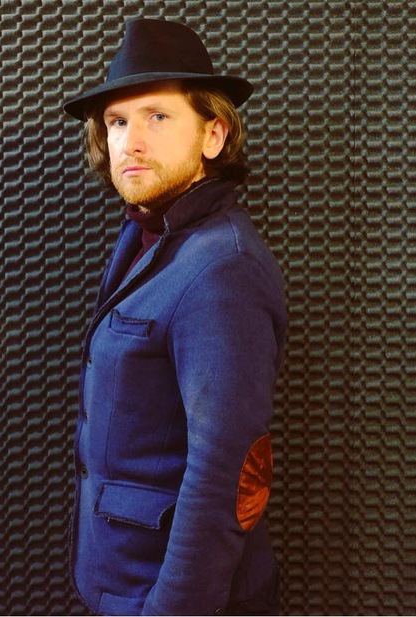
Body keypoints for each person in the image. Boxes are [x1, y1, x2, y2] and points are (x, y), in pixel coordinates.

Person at [62, 17, 287, 616]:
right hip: (123, 583)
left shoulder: (222, 269)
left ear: (214, 134)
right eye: (117, 121)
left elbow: (224, 474)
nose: (130, 142)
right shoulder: (148, 235)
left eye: (157, 116)